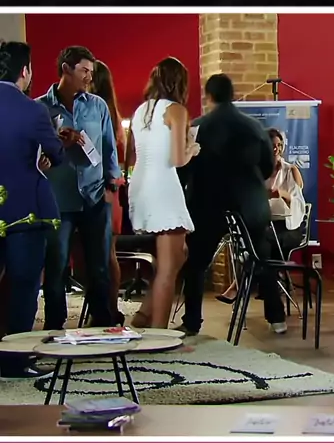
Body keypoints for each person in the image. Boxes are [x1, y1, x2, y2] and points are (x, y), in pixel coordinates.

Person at [180, 73, 287, 336]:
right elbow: (267, 166)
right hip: (250, 203)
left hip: (208, 202)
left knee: (196, 262)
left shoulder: (198, 127)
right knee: (262, 258)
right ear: (232, 94)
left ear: (208, 96)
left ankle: (191, 321)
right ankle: (276, 318)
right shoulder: (254, 127)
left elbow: (186, 167)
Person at [38, 46, 121, 330]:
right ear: (66, 69)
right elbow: (33, 153)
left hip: (94, 197)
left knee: (99, 266)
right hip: (57, 199)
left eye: (91, 72)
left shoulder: (98, 106)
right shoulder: (40, 107)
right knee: (56, 264)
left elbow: (109, 147)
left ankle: (102, 322)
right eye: (84, 70)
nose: (89, 77)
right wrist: (57, 143)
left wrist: (112, 183)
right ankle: (54, 325)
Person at [0, 41, 64, 379]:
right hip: (24, 209)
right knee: (24, 286)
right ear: (24, 72)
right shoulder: (33, 110)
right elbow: (57, 154)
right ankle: (13, 362)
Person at [127, 57, 199, 329]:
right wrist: (192, 149)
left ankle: (143, 316)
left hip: (140, 185)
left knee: (180, 254)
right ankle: (159, 334)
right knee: (169, 268)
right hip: (163, 187)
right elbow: (178, 160)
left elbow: (134, 153)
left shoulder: (140, 111)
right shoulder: (176, 110)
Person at [218, 127, 306, 303]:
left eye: (279, 145)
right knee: (253, 242)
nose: (276, 149)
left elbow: (299, 201)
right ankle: (267, 286)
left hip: (288, 227)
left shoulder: (290, 170)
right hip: (264, 224)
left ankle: (240, 285)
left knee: (260, 243)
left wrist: (281, 193)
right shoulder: (257, 171)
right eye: (272, 145)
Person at [90, 60, 127, 324]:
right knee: (97, 255)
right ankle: (103, 308)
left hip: (105, 189)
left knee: (106, 254)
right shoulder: (108, 113)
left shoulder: (105, 113)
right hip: (100, 189)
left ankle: (110, 309)